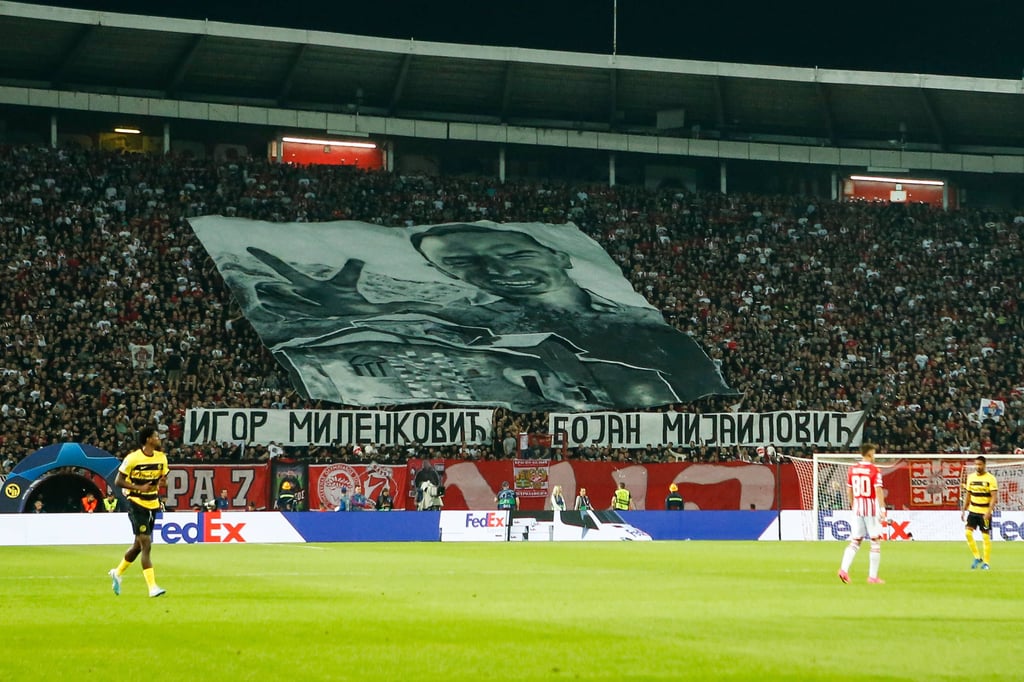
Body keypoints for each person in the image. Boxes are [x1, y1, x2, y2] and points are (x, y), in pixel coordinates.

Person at [246, 224, 735, 410]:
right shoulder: (478, 318)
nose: (495, 271)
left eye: (511, 254)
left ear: (559, 256)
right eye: (462, 265)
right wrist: (357, 311)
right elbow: (404, 313)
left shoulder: (651, 330)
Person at [108, 426, 169, 598]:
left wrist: (162, 483)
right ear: (148, 439)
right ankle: (152, 587)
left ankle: (117, 573)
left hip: (152, 503)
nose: (159, 438)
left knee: (137, 546)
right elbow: (118, 481)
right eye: (156, 436)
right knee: (146, 545)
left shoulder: (161, 458)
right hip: (135, 503)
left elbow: (163, 481)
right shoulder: (132, 458)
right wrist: (138, 487)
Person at [837, 442, 886, 585]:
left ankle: (843, 570)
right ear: (870, 454)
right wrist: (882, 509)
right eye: (874, 453)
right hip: (870, 508)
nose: (874, 456)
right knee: (875, 542)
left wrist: (853, 505)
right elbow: (878, 490)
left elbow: (849, 490)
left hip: (857, 508)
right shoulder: (874, 470)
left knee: (855, 541)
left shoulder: (853, 469)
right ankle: (872, 577)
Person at [963, 455, 997, 570]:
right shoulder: (971, 477)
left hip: (984, 512)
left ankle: (986, 563)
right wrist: (963, 510)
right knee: (967, 533)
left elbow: (994, 497)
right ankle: (977, 557)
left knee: (985, 537)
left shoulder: (990, 479)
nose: (978, 466)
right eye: (976, 464)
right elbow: (968, 495)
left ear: (984, 465)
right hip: (972, 511)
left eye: (980, 464)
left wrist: (989, 511)